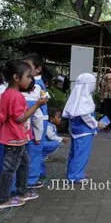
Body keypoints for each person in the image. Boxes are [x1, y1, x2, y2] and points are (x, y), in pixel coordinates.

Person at [0, 60, 47, 209]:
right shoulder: (15, 96)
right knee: (10, 169)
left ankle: (22, 191)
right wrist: (37, 106)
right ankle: (3, 198)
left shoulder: (10, 93)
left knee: (24, 163)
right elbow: (20, 118)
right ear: (16, 77)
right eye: (28, 76)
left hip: (18, 138)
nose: (30, 80)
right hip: (14, 139)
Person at [64, 73, 106, 182]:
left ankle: (74, 172)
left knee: (75, 152)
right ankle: (76, 176)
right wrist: (96, 124)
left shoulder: (77, 96)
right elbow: (86, 115)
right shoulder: (84, 98)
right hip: (84, 131)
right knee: (81, 153)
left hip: (76, 130)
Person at [22, 54, 49, 189]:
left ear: (38, 69)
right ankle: (33, 177)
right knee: (34, 150)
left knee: (34, 149)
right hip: (36, 119)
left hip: (36, 120)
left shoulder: (34, 85)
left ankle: (31, 180)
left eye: (28, 66)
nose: (23, 69)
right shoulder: (37, 82)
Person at [41, 108, 69, 173]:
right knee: (55, 143)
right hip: (44, 144)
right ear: (51, 119)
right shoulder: (48, 126)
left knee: (40, 159)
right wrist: (62, 139)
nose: (60, 119)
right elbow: (51, 136)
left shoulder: (52, 125)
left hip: (44, 144)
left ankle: (41, 173)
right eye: (58, 117)